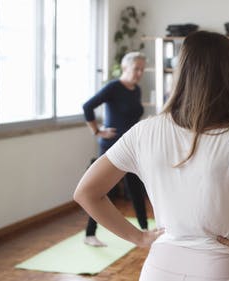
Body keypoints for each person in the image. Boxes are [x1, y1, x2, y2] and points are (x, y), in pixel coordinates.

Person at [74, 31, 229, 281]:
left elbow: (86, 192)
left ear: (181, 73)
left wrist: (139, 237)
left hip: (159, 268)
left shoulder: (144, 130)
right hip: (220, 268)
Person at [81, 52, 149, 247]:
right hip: (112, 147)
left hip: (131, 148)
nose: (139, 73)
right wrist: (97, 131)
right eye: (136, 68)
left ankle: (144, 230)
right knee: (102, 192)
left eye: (142, 69)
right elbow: (87, 106)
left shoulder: (136, 90)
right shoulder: (113, 87)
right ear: (125, 67)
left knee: (136, 188)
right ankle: (89, 234)